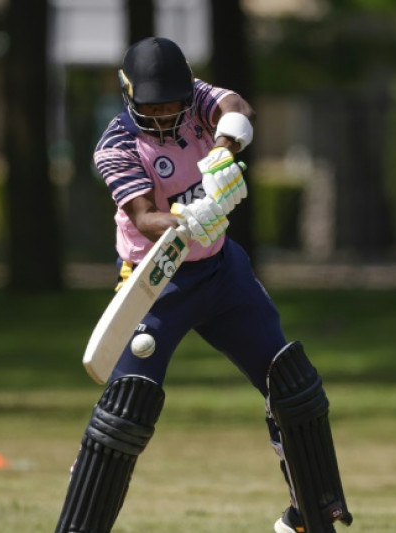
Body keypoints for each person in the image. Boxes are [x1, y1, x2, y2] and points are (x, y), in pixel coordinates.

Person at [53, 37, 352, 533]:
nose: (166, 114)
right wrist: (187, 218)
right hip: (156, 280)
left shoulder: (196, 98)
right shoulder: (116, 146)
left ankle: (309, 517)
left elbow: (237, 107)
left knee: (291, 383)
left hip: (221, 271)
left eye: (172, 103)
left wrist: (222, 154)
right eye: (154, 106)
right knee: (125, 412)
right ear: (130, 96)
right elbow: (143, 216)